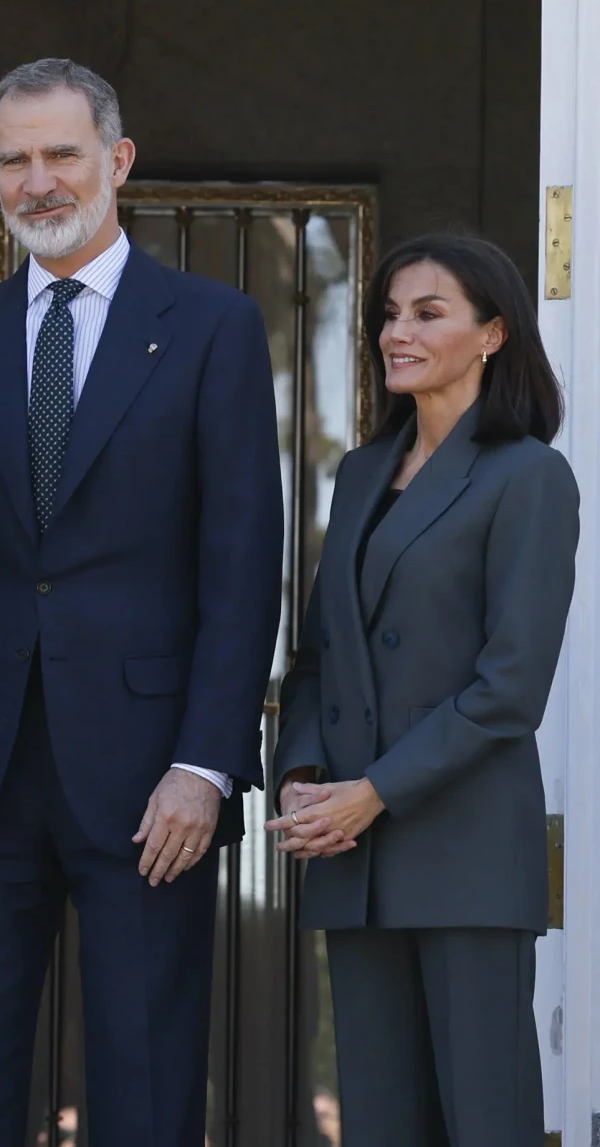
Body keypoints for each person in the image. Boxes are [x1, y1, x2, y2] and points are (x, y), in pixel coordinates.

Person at [0, 58, 284, 1147]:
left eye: (60, 153)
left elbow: (242, 560)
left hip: (148, 777)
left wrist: (206, 761)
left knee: (147, 1081)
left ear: (115, 161)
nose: (37, 181)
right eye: (13, 159)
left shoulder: (212, 326)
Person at [266, 233, 579, 1147]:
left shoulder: (530, 477)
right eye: (389, 315)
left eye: (427, 313)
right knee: (379, 1125)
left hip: (468, 854)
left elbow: (510, 687)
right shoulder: (361, 475)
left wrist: (373, 793)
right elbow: (318, 654)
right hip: (353, 861)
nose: (397, 332)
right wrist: (303, 772)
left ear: (492, 334)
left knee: (487, 1123)